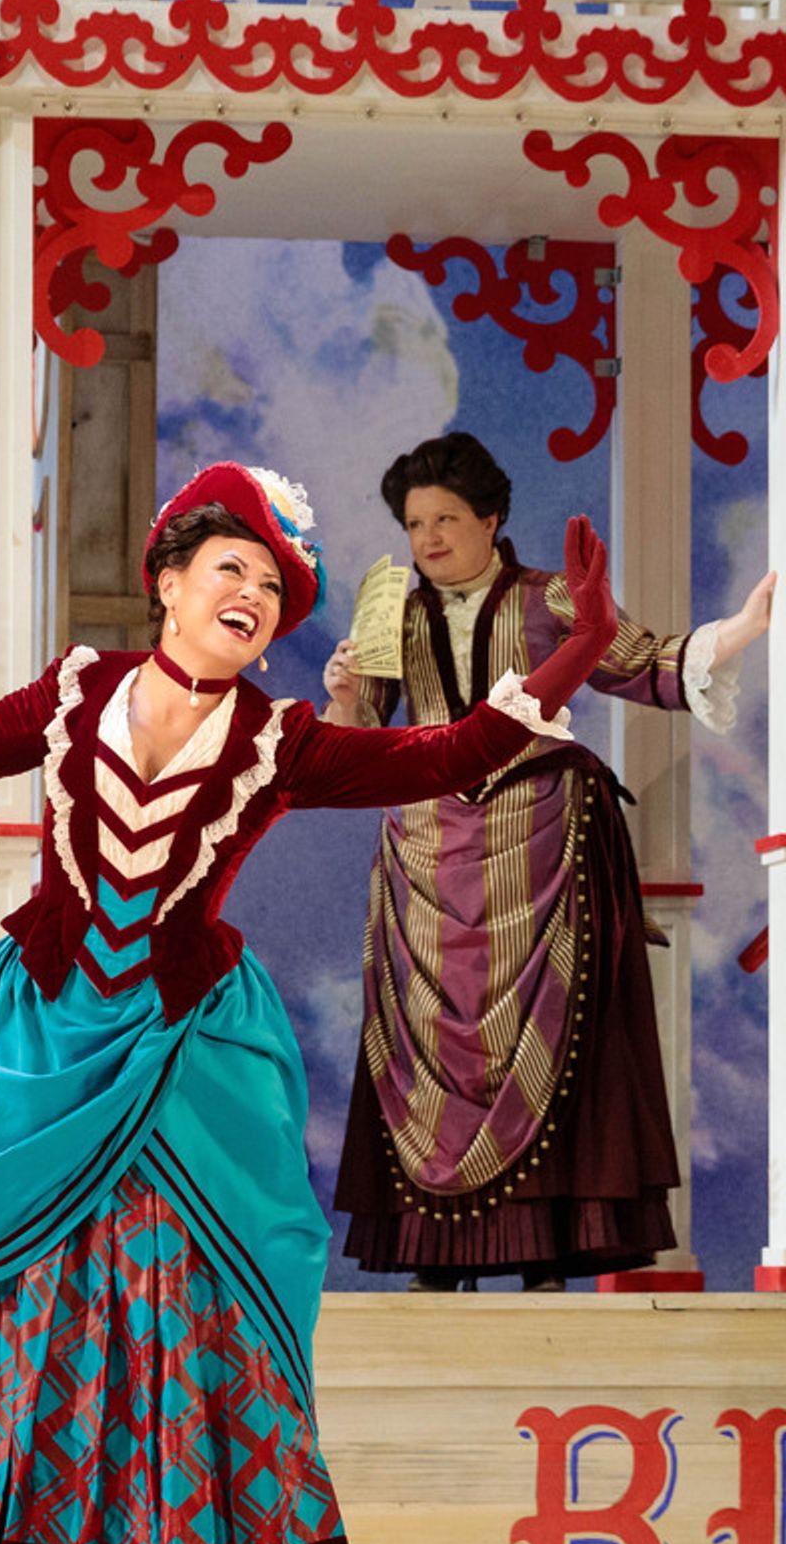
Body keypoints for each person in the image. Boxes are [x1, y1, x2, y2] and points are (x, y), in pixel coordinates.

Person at [0, 460, 617, 1544]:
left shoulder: (282, 738)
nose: (257, 597)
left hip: (189, 1054)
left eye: (275, 586)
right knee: (53, 1319)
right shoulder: (73, 695)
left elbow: (447, 752)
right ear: (168, 583)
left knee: (215, 1320)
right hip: (51, 1033)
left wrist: (577, 647)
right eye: (235, 570)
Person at [325, 431, 775, 1293]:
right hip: (425, 856)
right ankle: (436, 1259)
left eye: (447, 518)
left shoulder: (550, 598)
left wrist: (742, 631)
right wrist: (345, 696)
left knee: (553, 1032)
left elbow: (645, 663)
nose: (429, 538)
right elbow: (356, 747)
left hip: (542, 842)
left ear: (491, 518)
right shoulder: (391, 617)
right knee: (429, 1048)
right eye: (416, 522)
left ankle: (547, 1252)